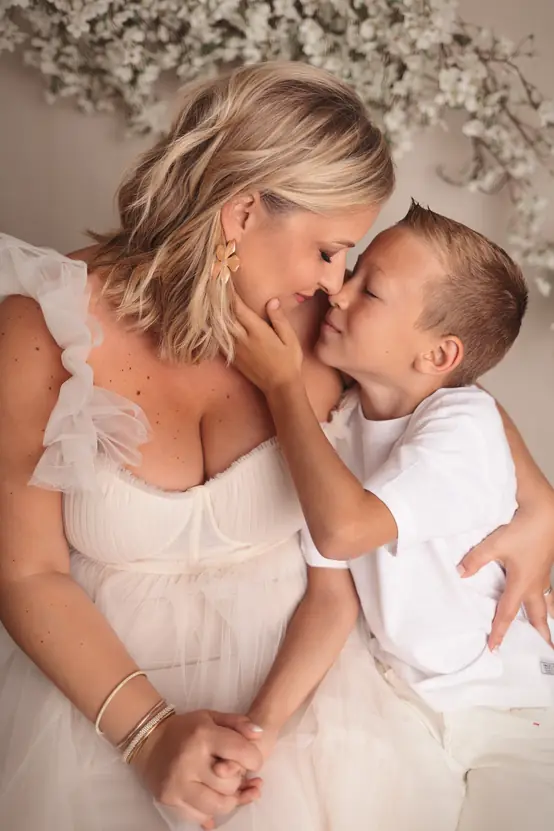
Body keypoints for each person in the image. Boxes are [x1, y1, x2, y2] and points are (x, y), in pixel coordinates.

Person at [0, 60, 551, 831]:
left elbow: (441, 389)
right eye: (330, 249)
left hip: (309, 697)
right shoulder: (39, 332)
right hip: (102, 696)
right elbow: (28, 572)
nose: (336, 282)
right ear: (243, 213)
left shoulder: (311, 330)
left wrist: (541, 499)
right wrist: (150, 734)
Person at [231, 201, 554, 831]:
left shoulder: (465, 430)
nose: (338, 291)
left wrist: (281, 388)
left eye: (369, 290)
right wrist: (260, 729)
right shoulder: (340, 427)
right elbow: (331, 598)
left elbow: (345, 529)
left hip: (518, 714)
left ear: (438, 356)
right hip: (412, 702)